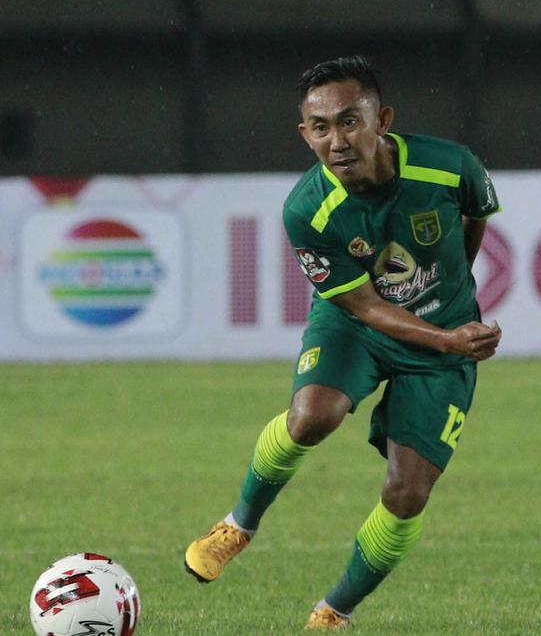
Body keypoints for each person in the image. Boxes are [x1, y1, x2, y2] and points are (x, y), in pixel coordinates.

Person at [183, 55, 503, 630]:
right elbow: (363, 305)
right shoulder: (307, 209)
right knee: (312, 415)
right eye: (321, 128)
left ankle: (334, 612)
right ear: (305, 134)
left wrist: (453, 308)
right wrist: (448, 337)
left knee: (407, 493)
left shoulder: (452, 166)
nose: (337, 141)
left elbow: (475, 220)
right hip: (357, 323)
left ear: (382, 119)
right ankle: (238, 524)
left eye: (350, 121)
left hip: (442, 344)